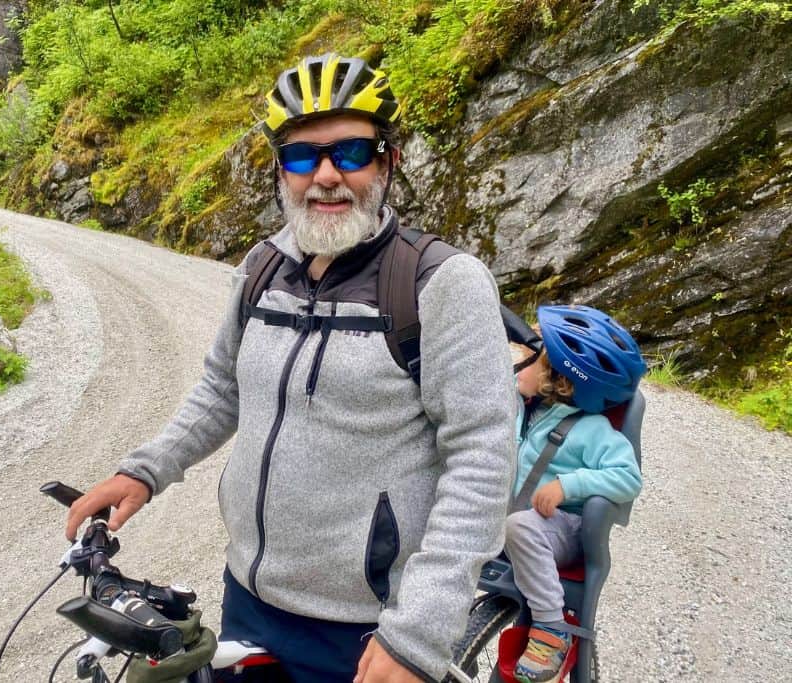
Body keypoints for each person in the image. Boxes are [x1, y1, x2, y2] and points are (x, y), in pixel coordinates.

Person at [65, 53, 517, 683]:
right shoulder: (260, 270)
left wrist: (418, 632)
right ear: (281, 171)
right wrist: (144, 470)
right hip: (250, 597)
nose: (326, 176)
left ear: (387, 161)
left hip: (370, 627)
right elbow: (223, 387)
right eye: (303, 156)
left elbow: (483, 456)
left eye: (351, 153)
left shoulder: (439, 283)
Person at [506, 305, 645, 683]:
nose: (517, 361)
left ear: (559, 380)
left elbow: (628, 477)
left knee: (521, 526)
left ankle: (552, 632)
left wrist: (569, 485)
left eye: (530, 358)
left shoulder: (591, 429)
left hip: (560, 529)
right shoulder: (522, 406)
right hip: (509, 523)